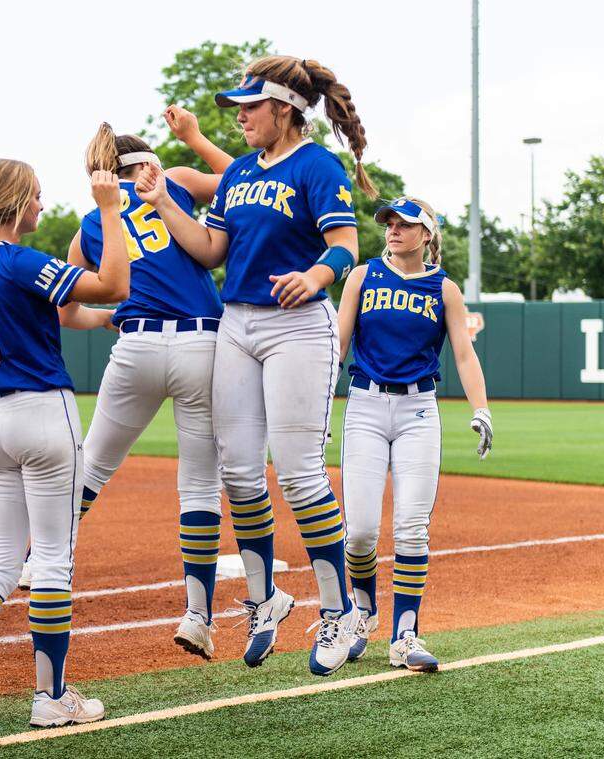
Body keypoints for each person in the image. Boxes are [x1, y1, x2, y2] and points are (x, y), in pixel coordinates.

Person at [134, 55, 377, 675]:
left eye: (250, 106)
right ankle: (265, 599)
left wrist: (317, 275)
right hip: (236, 323)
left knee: (298, 474)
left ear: (285, 109)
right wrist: (163, 203)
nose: (240, 116)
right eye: (238, 108)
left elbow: (346, 246)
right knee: (240, 474)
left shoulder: (317, 165)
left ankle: (339, 612)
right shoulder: (240, 172)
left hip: (297, 324)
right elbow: (212, 248)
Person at [0, 159, 127, 730]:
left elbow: (65, 312)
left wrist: (105, 318)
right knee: (53, 560)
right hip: (42, 413)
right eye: (37, 196)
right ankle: (51, 696)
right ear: (17, 204)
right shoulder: (21, 260)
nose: (42, 205)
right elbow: (114, 281)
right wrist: (109, 209)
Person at [62, 109, 231, 659]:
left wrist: (110, 317)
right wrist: (195, 139)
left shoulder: (89, 226)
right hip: (201, 342)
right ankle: (198, 616)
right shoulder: (173, 180)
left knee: (92, 464)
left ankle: (41, 562)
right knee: (200, 483)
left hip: (136, 344)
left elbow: (67, 313)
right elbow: (247, 181)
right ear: (146, 163)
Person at [336, 196, 493, 672]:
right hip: (364, 404)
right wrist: (316, 404)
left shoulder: (444, 288)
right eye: (389, 222)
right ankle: (363, 612)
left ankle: (405, 634)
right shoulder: (362, 276)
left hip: (418, 410)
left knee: (411, 527)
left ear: (427, 234)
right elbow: (338, 344)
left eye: (405, 223)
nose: (393, 229)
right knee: (360, 532)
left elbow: (463, 353)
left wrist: (482, 409)